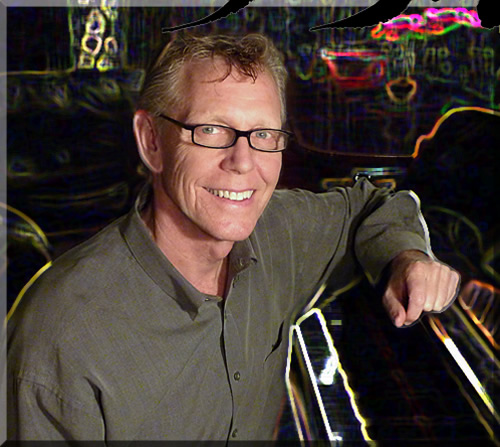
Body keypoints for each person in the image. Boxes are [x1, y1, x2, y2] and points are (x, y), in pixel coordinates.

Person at [7, 32, 459, 441]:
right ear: (151, 141)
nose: (243, 162)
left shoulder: (278, 230)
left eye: (263, 134)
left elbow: (371, 206)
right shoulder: (60, 336)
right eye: (211, 130)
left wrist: (406, 256)